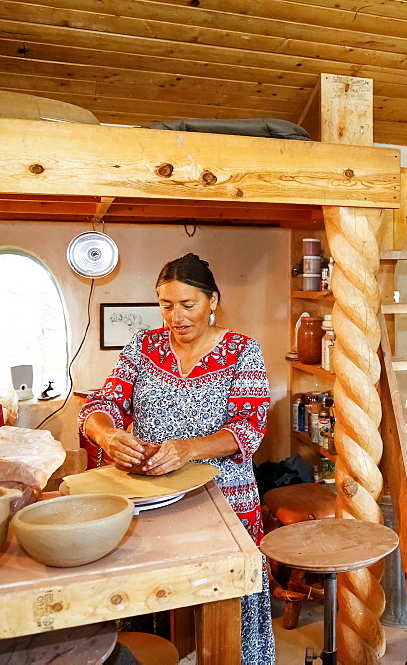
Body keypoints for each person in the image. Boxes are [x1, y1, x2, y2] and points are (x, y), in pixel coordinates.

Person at [79, 253, 274, 665]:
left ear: (213, 301)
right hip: (154, 497)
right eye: (167, 305)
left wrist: (188, 448)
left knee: (224, 605)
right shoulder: (143, 346)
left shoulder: (242, 351)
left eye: (188, 305)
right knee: (152, 597)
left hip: (224, 499)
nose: (176, 316)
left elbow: (249, 427)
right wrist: (108, 434)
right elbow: (103, 403)